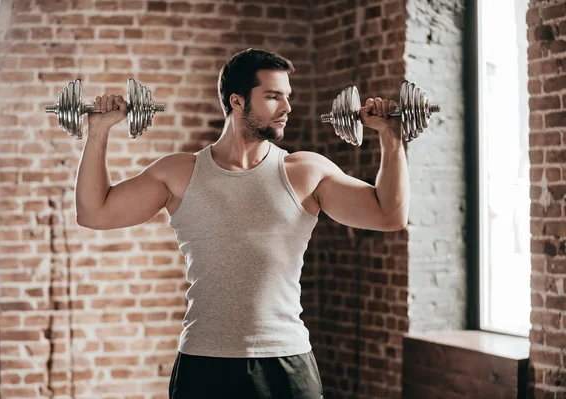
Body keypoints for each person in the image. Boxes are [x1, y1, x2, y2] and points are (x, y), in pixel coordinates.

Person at [75, 48, 409, 399]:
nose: (287, 107)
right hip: (204, 363)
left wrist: (391, 138)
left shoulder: (305, 172)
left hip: (286, 361)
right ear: (237, 101)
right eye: (273, 96)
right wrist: (97, 131)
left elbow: (389, 215)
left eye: (287, 96)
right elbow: (94, 212)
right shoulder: (180, 173)